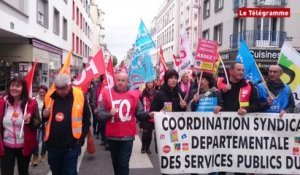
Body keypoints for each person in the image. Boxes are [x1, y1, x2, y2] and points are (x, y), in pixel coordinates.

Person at [97, 72, 150, 175]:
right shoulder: (107, 94)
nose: (120, 82)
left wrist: (149, 115)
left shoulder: (133, 95)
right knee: (115, 162)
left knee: (124, 163)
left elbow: (140, 113)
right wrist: (109, 113)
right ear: (115, 81)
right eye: (118, 80)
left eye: (123, 80)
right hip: (112, 136)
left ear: (127, 82)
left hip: (127, 136)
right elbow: (99, 114)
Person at [42, 73, 91, 175]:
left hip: (71, 145)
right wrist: (44, 115)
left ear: (69, 85)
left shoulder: (79, 95)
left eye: (63, 88)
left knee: (70, 172)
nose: (60, 91)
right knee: (56, 172)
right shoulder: (49, 97)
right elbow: (43, 119)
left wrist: (81, 138)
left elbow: (87, 118)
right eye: (57, 88)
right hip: (53, 145)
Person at [217, 62, 259, 175]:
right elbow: (211, 102)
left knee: (240, 162)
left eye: (242, 70)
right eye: (238, 70)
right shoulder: (220, 84)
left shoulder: (249, 85)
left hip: (242, 130)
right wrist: (223, 92)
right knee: (222, 159)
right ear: (230, 71)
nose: (241, 72)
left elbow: (257, 104)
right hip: (223, 129)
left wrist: (247, 110)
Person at [0, 77, 41, 175]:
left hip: (24, 145)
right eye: (12, 85)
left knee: (23, 171)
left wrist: (30, 121)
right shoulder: (2, 103)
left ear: (23, 88)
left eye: (17, 86)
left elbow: (38, 122)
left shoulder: (31, 104)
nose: (14, 88)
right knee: (6, 172)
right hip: (6, 145)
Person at [150, 69, 186, 175]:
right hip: (163, 131)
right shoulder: (159, 93)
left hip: (175, 130)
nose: (174, 80)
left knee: (175, 155)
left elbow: (182, 112)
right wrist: (159, 112)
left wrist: (182, 106)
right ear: (166, 79)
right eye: (171, 78)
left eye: (176, 78)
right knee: (164, 155)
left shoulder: (180, 93)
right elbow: (152, 111)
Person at [187, 72, 222, 175]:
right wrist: (195, 101)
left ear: (208, 81)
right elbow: (189, 110)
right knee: (196, 157)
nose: (200, 81)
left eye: (202, 79)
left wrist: (220, 108)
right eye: (198, 79)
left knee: (211, 157)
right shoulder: (194, 92)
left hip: (211, 131)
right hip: (197, 131)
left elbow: (221, 106)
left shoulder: (216, 92)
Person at [32, 85, 48, 166]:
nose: (42, 93)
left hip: (46, 123)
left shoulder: (49, 99)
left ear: (46, 92)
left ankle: (43, 154)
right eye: (40, 92)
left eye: (43, 92)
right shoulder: (34, 99)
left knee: (45, 140)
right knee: (36, 140)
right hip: (37, 123)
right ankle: (35, 156)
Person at [140, 81, 156, 154]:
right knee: (145, 133)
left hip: (152, 115)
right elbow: (140, 103)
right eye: (148, 83)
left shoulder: (156, 92)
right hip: (145, 115)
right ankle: (143, 146)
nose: (150, 84)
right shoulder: (143, 92)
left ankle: (148, 148)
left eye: (151, 83)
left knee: (150, 133)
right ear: (146, 84)